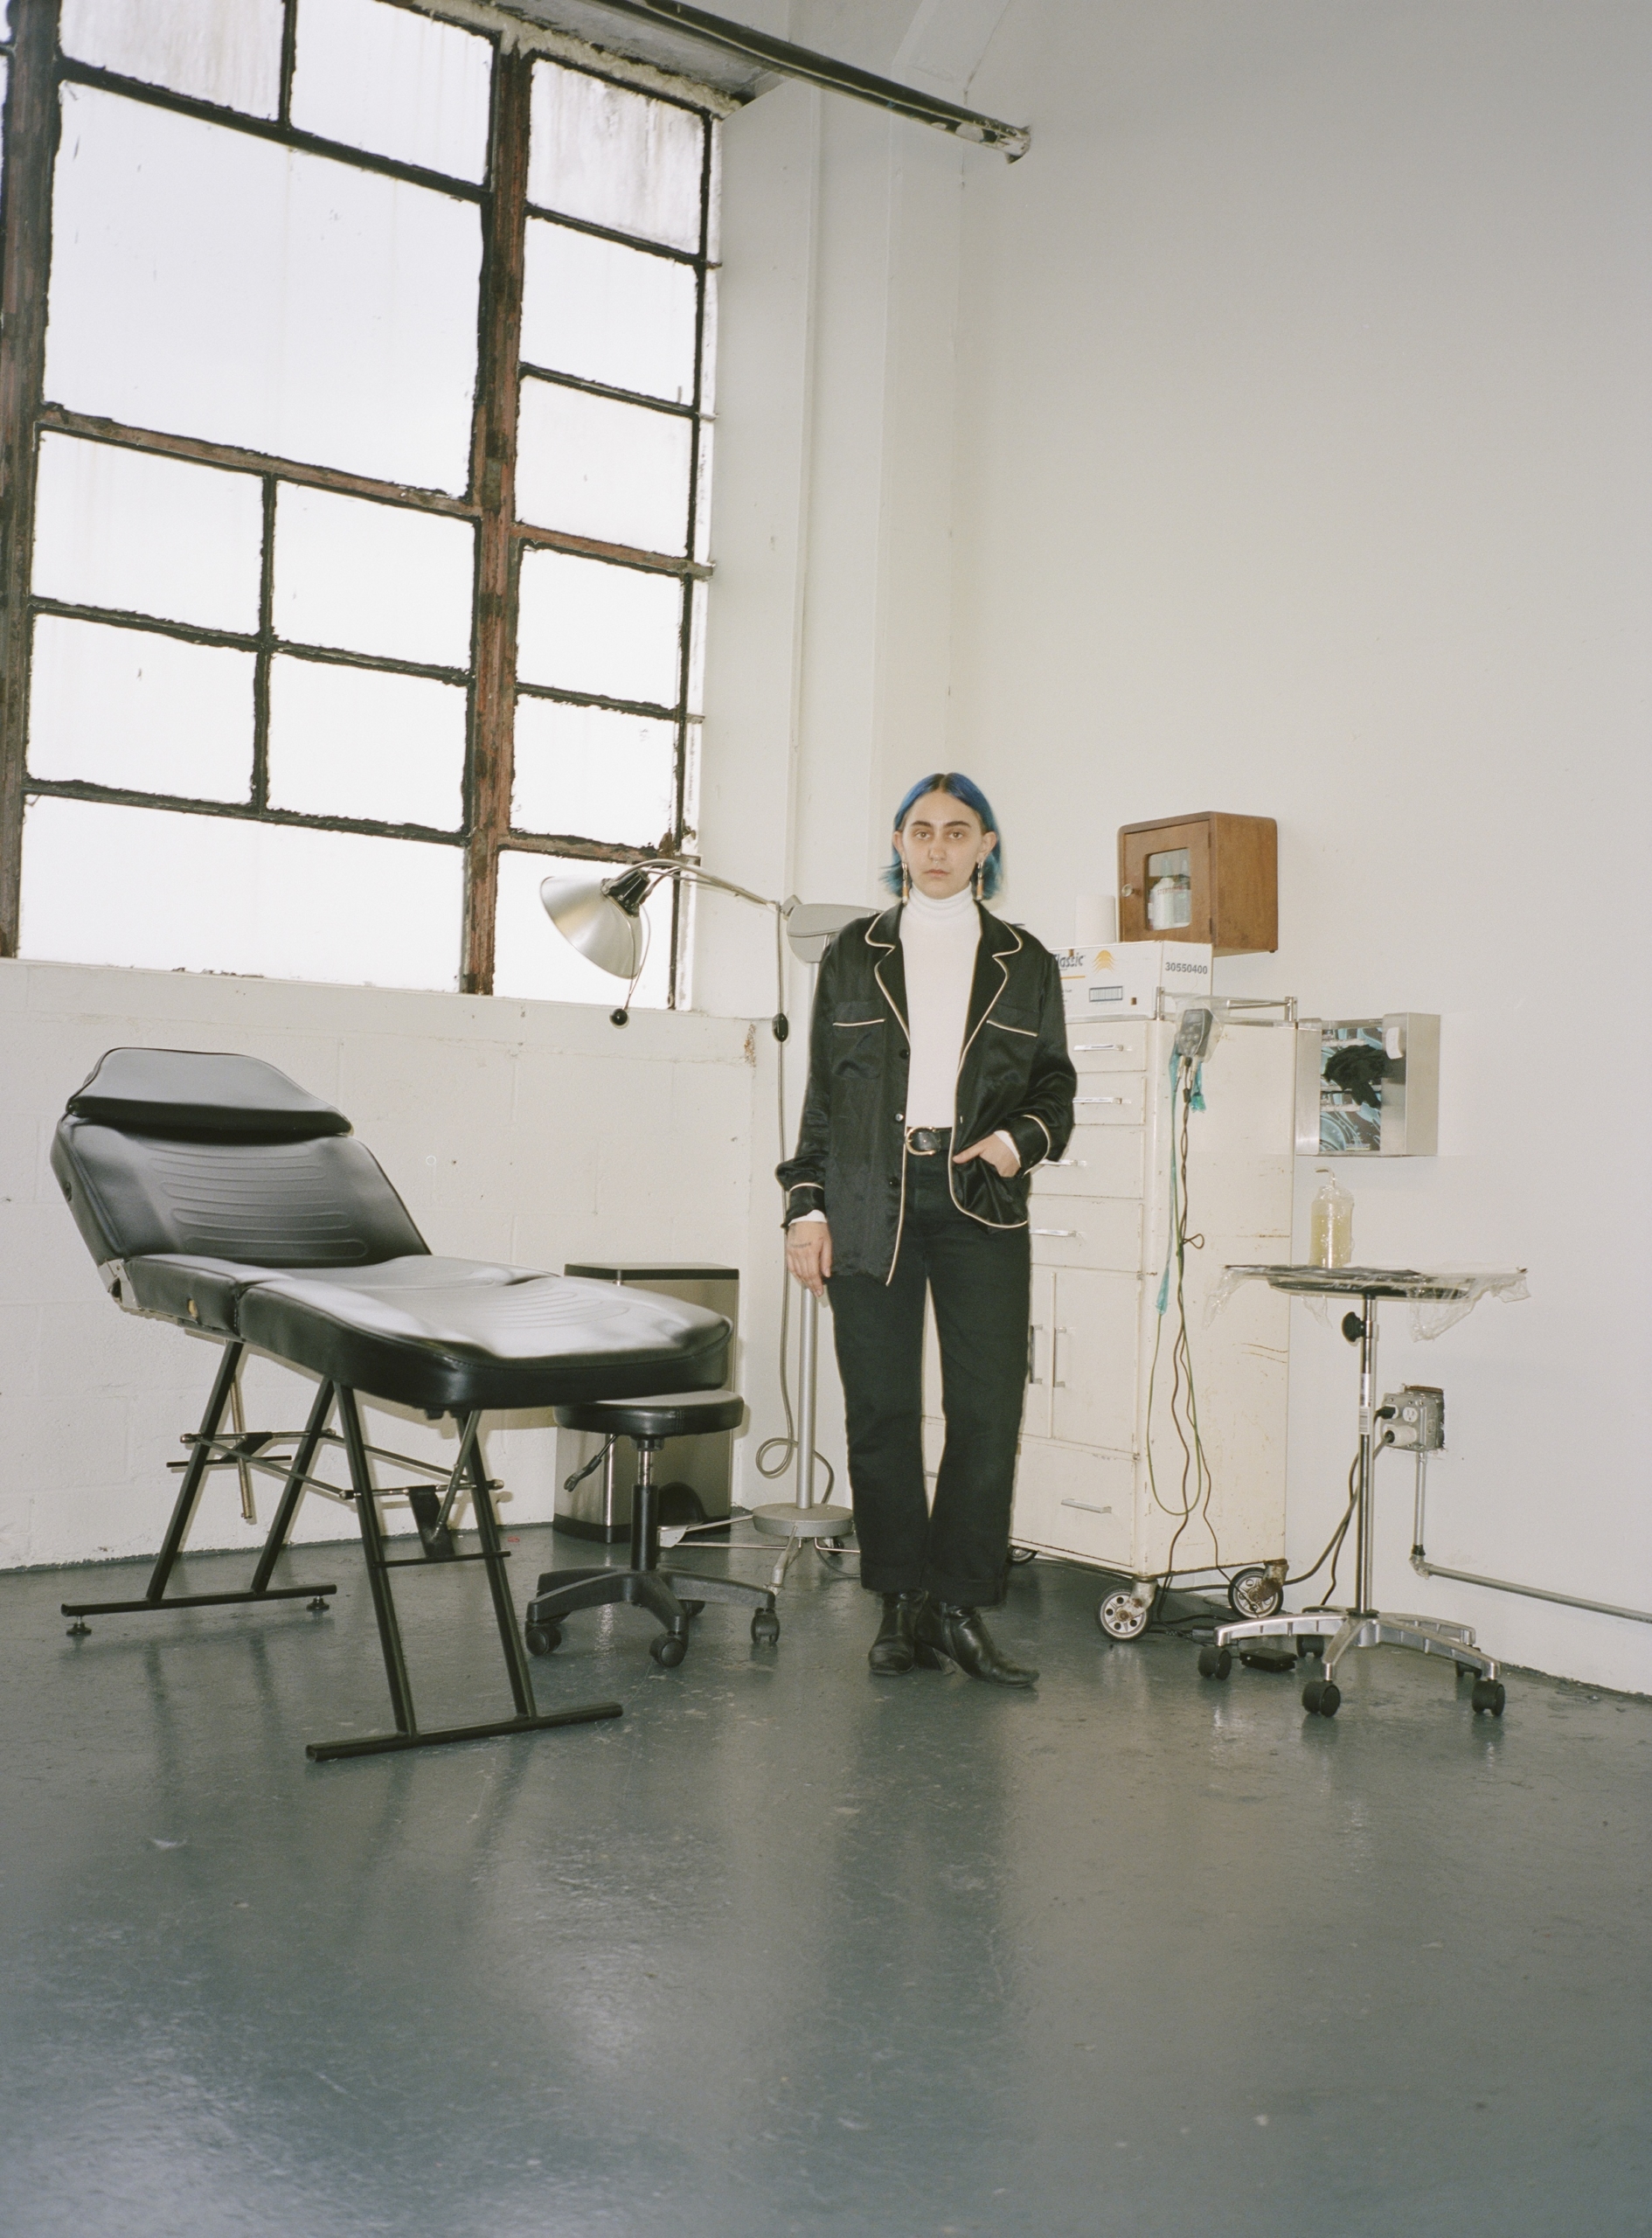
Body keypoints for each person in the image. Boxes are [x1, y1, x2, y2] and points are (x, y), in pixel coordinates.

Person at [777, 775, 1076, 1685]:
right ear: (899, 844)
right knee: (880, 1409)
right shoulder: (852, 954)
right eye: (921, 831)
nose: (938, 847)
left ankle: (958, 1606)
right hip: (871, 1196)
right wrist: (806, 1205)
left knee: (989, 1411)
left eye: (957, 831)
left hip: (978, 1196)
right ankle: (900, 1605)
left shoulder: (1026, 960)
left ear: (987, 845)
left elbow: (1054, 1090)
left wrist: (1012, 1146)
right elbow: (824, 1096)